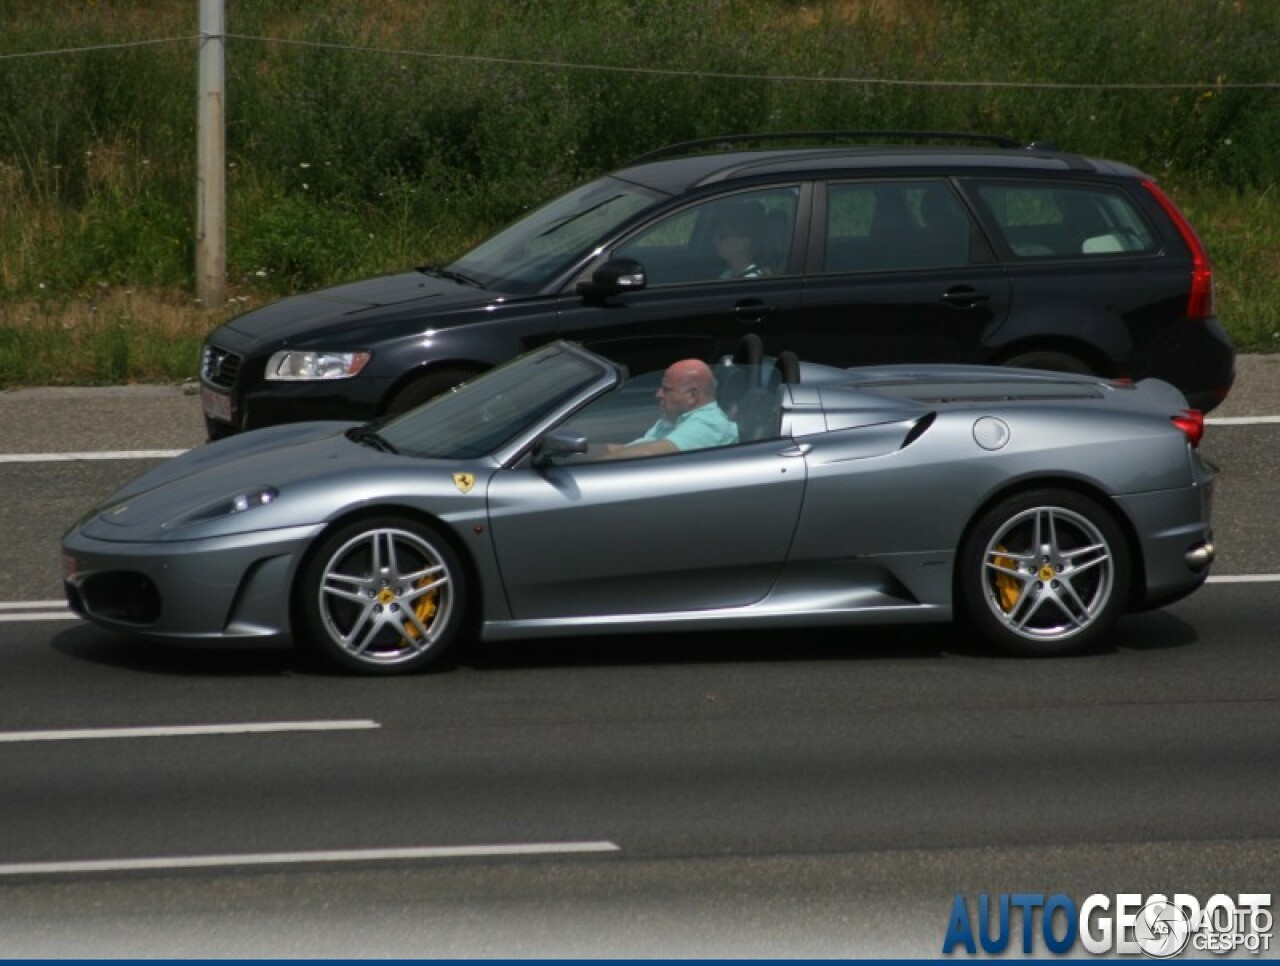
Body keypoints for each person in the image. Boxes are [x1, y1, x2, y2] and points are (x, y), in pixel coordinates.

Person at [605, 359, 738, 459]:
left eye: (666, 390)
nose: (658, 394)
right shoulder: (675, 418)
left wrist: (593, 467)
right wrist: (585, 451)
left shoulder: (708, 424)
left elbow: (647, 453)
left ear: (692, 395)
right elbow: (628, 449)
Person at [711, 205, 770, 279]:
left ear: (743, 242)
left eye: (722, 235)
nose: (714, 240)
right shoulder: (726, 275)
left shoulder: (754, 280)